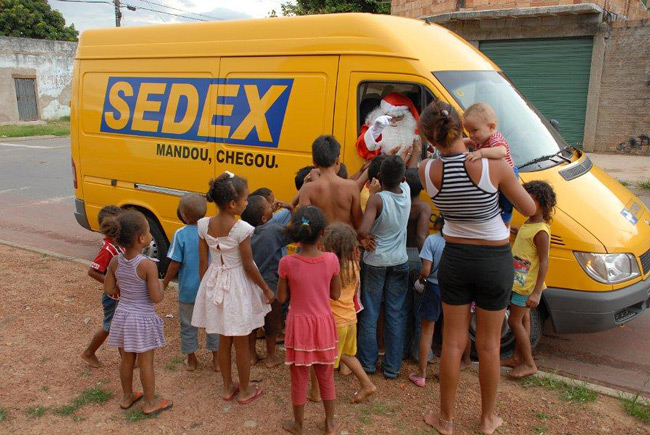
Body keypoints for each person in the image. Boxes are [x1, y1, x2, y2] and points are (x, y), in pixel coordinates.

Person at [418, 101, 535, 435]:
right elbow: (528, 207)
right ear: (461, 128)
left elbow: (448, 156)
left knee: (453, 343)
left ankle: (445, 420)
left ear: (430, 138)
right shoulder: (493, 166)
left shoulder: (426, 170)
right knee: (489, 345)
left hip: (454, 258)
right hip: (494, 261)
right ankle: (487, 420)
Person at [192, 172, 274, 405]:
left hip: (214, 281)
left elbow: (203, 261)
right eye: (245, 199)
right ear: (232, 204)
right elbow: (248, 265)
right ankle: (245, 389)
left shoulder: (203, 225)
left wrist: (206, 288)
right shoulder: (241, 229)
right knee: (241, 342)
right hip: (237, 287)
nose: (247, 203)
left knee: (223, 340)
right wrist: (265, 289)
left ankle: (228, 387)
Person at [277, 206, 341, 435]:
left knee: (298, 377)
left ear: (296, 233)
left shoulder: (287, 263)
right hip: (323, 324)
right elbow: (336, 294)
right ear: (322, 232)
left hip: (299, 325)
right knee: (326, 376)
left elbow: (281, 297)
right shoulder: (332, 260)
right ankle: (330, 423)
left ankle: (299, 425)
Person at [104, 209, 172, 415]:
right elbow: (156, 297)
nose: (150, 235)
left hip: (123, 315)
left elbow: (109, 289)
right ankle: (150, 402)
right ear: (141, 238)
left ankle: (127, 396)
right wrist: (161, 285)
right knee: (146, 362)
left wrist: (123, 288)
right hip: (141, 318)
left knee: (126, 359)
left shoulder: (115, 261)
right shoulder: (147, 265)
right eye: (149, 231)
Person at [357, 155, 411, 379]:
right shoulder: (406, 190)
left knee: (370, 313)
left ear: (378, 176)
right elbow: (401, 169)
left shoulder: (377, 200)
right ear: (403, 178)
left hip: (376, 261)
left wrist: (364, 238)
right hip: (399, 261)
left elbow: (362, 230)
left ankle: (368, 364)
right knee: (395, 313)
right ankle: (392, 367)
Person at [162, 193, 219, 372]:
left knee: (188, 324)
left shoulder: (180, 234)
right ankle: (217, 359)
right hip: (211, 287)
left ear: (184, 215)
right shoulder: (212, 231)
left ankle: (192, 359)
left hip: (188, 290)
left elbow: (175, 263)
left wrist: (165, 282)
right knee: (213, 324)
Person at [322, 223, 377, 403]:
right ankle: (367, 384)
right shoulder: (354, 265)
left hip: (334, 322)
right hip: (350, 320)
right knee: (346, 354)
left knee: (325, 359)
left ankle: (322, 393)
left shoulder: (330, 268)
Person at [507, 181, 556, 379]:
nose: (524, 202)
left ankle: (529, 363)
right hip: (520, 280)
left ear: (543, 205)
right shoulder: (529, 223)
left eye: (531, 200)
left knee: (514, 321)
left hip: (525, 285)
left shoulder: (541, 231)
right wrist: (518, 231)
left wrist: (536, 292)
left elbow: (544, 262)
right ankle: (517, 358)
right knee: (524, 319)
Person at [241, 194, 292, 368]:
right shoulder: (273, 230)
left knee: (253, 323)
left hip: (250, 285)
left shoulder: (243, 232)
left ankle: (251, 355)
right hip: (271, 285)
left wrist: (271, 212)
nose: (272, 206)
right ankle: (271, 357)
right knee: (272, 323)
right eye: (269, 206)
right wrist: (292, 209)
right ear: (264, 218)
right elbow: (298, 230)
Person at [81, 205, 124, 368]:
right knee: (110, 327)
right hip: (113, 297)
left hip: (120, 296)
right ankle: (89, 352)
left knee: (119, 326)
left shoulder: (119, 244)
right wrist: (112, 284)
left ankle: (126, 359)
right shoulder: (108, 249)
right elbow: (92, 271)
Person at [463, 102, 518, 224]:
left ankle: (505, 218)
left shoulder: (495, 138)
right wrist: (463, 142)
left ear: (491, 127)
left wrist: (481, 153)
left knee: (506, 201)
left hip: (508, 176)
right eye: (468, 131)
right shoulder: (481, 137)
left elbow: (501, 151)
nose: (471, 135)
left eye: (474, 130)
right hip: (496, 175)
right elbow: (471, 141)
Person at [409, 216, 445, 388]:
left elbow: (426, 270)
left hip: (434, 288)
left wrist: (420, 280)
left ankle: (421, 374)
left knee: (427, 330)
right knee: (450, 332)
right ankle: (445, 372)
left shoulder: (432, 240)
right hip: (454, 290)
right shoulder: (460, 241)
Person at [299, 135, 363, 229]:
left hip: (321, 238)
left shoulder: (307, 190)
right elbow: (359, 223)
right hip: (346, 237)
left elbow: (305, 223)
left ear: (314, 162)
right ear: (338, 160)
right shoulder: (351, 186)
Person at [404, 167, 432, 361]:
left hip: (400, 254)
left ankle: (402, 349)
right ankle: (420, 353)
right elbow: (421, 236)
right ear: (422, 187)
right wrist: (426, 262)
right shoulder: (423, 207)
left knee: (402, 307)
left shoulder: (400, 203)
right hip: (417, 256)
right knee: (420, 309)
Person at [356, 92, 420, 159]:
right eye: (390, 117)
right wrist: (375, 130)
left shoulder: (412, 128)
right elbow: (362, 149)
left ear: (406, 116)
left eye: (398, 117)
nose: (394, 121)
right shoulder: (374, 128)